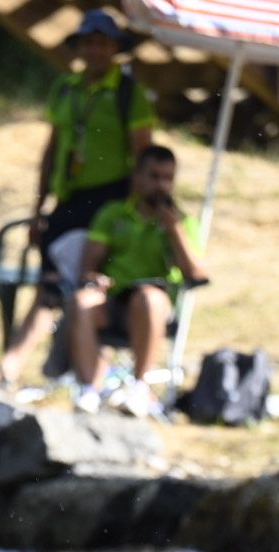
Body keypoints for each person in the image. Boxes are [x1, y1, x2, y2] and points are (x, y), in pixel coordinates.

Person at [0, 9, 153, 388]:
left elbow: (143, 159)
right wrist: (39, 210)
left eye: (103, 43)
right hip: (69, 203)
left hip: (110, 203)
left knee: (87, 289)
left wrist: (129, 217)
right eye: (89, 43)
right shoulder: (66, 89)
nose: (95, 50)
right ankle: (14, 366)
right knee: (51, 286)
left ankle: (80, 371)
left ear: (115, 48)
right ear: (80, 47)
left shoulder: (128, 95)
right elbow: (52, 150)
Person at [70, 144, 207, 418]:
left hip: (151, 307)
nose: (161, 185)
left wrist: (174, 231)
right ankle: (89, 391)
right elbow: (87, 268)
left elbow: (197, 275)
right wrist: (96, 279)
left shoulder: (183, 222)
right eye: (154, 176)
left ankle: (140, 387)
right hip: (113, 300)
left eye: (168, 178)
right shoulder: (114, 214)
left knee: (149, 298)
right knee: (82, 300)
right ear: (137, 177)